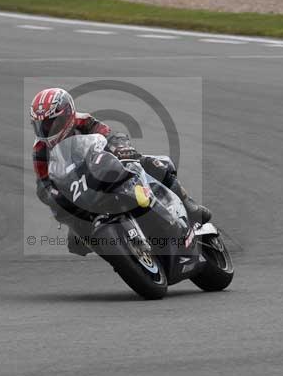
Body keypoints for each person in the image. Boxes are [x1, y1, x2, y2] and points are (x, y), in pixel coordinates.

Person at [30, 87, 211, 255]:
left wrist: (119, 146)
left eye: (50, 124)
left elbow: (108, 133)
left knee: (155, 164)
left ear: (67, 114)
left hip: (103, 167)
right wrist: (54, 197)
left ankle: (189, 206)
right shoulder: (40, 150)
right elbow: (43, 184)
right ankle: (119, 247)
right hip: (79, 192)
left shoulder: (82, 121)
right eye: (41, 126)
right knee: (75, 242)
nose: (46, 131)